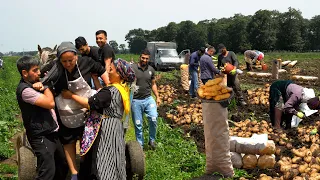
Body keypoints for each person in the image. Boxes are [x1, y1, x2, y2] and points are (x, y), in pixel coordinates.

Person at [42, 41, 109, 180]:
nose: (67, 64)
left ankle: (84, 165)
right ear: (59, 60)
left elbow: (102, 70)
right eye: (64, 61)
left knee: (86, 140)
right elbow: (40, 76)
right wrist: (38, 83)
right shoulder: (55, 67)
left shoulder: (87, 62)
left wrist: (108, 85)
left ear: (76, 57)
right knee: (68, 142)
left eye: (70, 60)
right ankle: (74, 173)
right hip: (66, 113)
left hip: (86, 110)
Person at [61, 58, 136, 180]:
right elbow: (102, 95)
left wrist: (71, 95)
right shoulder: (122, 89)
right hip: (116, 127)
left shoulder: (110, 91)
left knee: (105, 156)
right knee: (115, 155)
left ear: (119, 74)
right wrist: (95, 79)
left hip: (107, 129)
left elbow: (90, 103)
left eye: (111, 69)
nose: (108, 71)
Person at [16, 56, 68, 180]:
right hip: (41, 135)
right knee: (47, 172)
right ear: (24, 73)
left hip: (51, 132)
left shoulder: (33, 84)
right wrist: (46, 86)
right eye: (35, 70)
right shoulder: (25, 90)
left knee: (62, 165)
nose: (39, 73)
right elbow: (50, 103)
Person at [131, 49, 161, 149]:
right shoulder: (132, 68)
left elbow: (153, 84)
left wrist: (157, 96)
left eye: (147, 58)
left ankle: (152, 140)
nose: (144, 60)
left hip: (148, 99)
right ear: (140, 57)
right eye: (143, 58)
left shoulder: (151, 69)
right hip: (135, 100)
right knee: (138, 124)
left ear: (149, 59)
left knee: (153, 118)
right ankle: (140, 145)